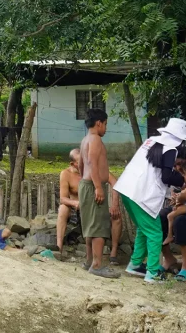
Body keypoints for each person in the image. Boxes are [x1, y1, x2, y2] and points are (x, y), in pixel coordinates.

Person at [115, 117, 186, 283]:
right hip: (142, 194)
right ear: (180, 140)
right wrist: (182, 181)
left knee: (144, 228)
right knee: (156, 233)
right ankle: (153, 272)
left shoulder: (151, 141)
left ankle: (135, 264)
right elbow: (166, 176)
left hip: (127, 188)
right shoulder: (171, 149)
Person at [56, 148, 123, 261]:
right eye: (81, 161)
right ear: (73, 164)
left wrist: (115, 205)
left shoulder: (95, 169)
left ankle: (114, 253)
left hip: (96, 207)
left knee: (116, 216)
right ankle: (59, 247)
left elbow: (115, 183)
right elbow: (63, 198)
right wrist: (75, 202)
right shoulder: (66, 174)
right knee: (63, 209)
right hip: (78, 208)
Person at [78, 108, 119, 278]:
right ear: (99, 123)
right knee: (99, 227)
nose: (106, 128)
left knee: (90, 225)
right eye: (106, 124)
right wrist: (98, 187)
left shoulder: (84, 140)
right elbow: (91, 163)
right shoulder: (94, 139)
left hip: (86, 185)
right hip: (93, 186)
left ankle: (89, 260)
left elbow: (81, 165)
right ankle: (97, 264)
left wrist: (85, 182)